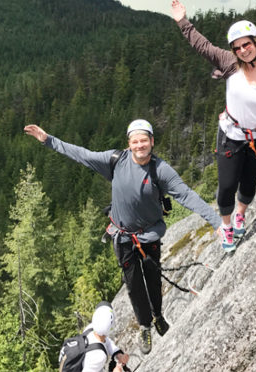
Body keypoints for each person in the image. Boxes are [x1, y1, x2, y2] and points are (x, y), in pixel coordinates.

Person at [24, 119, 222, 354]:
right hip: (123, 237)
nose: (140, 145)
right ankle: (145, 325)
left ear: (152, 142)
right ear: (129, 144)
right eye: (135, 141)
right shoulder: (115, 161)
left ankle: (157, 314)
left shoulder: (160, 170)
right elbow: (82, 155)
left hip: (149, 236)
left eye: (144, 141)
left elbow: (186, 195)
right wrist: (49, 141)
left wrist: (217, 221)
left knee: (153, 277)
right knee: (134, 285)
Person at [171, 0, 256, 253]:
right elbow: (202, 46)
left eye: (246, 44)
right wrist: (183, 22)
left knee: (248, 184)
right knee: (226, 186)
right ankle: (226, 226)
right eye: (237, 47)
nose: (243, 50)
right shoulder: (229, 63)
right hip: (230, 135)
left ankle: (240, 215)